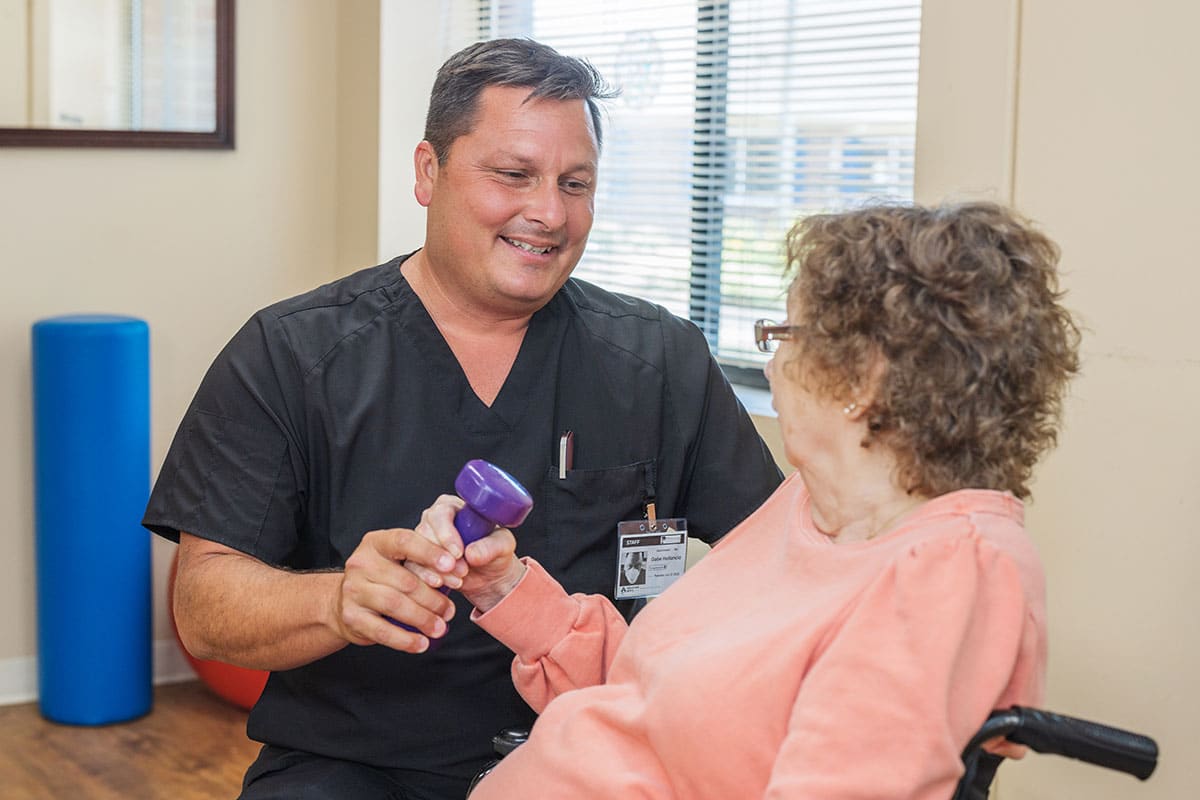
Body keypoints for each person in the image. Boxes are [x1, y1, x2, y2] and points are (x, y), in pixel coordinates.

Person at [142, 38, 782, 800]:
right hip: (355, 765)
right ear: (428, 171)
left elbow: (779, 566)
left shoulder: (661, 361)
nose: (548, 212)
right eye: (514, 174)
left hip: (597, 757)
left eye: (575, 183)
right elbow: (205, 608)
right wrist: (338, 600)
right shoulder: (291, 357)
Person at [411, 201, 1082, 799]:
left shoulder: (949, 570)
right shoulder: (804, 508)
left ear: (865, 379)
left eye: (784, 338)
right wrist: (505, 588)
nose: (770, 366)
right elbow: (661, 693)